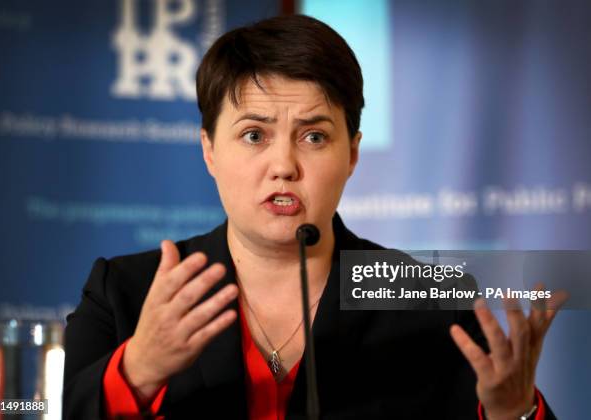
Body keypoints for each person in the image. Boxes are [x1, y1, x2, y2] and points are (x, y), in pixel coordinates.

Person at [63, 14, 562, 419]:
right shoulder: (125, 291)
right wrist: (139, 370)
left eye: (315, 136)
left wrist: (513, 413)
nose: (284, 166)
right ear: (209, 150)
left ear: (352, 155)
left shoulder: (426, 298)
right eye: (254, 135)